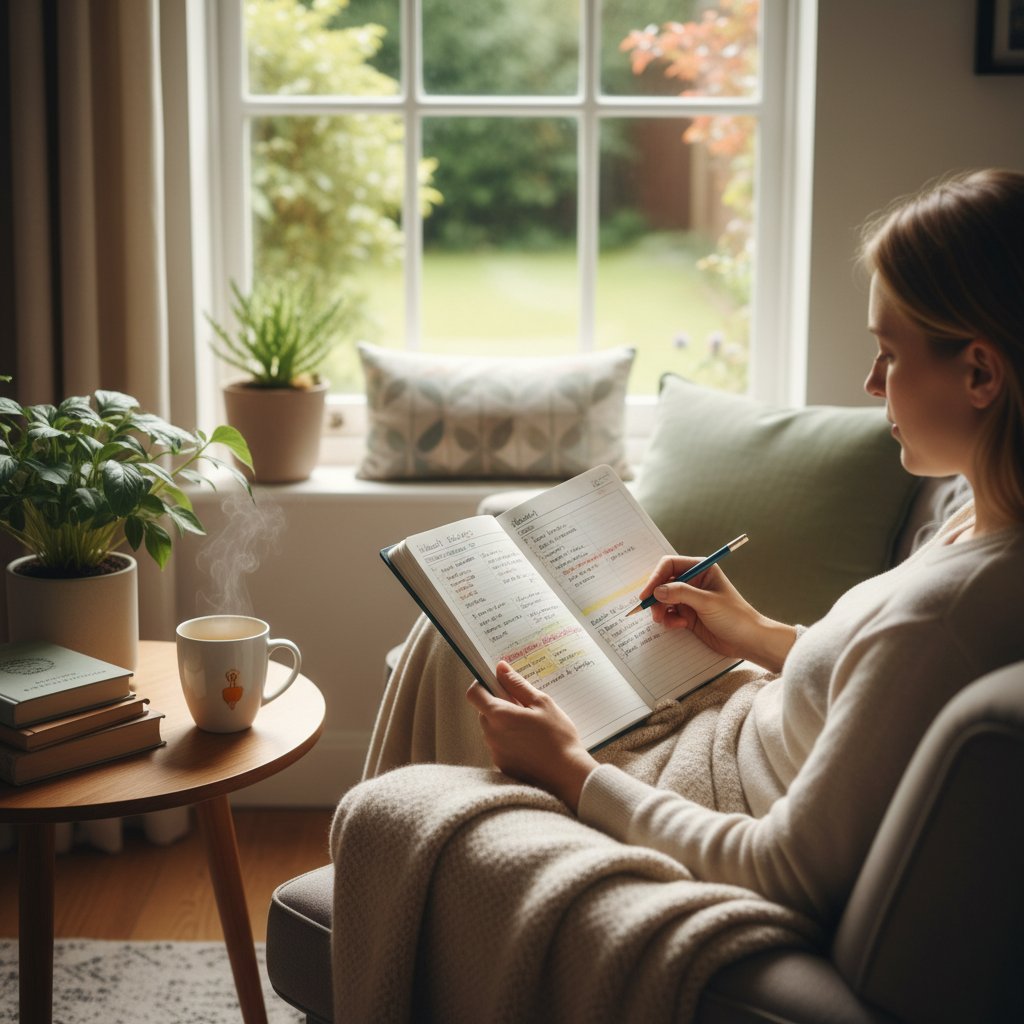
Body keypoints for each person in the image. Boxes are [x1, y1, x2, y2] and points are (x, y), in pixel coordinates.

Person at [334, 169, 1024, 1020]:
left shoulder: (951, 614)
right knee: (454, 644)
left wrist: (570, 770)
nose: (872, 383)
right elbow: (877, 684)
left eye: (890, 351)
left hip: (699, 793)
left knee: (426, 731)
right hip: (732, 734)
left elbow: (782, 869)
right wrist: (758, 632)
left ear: (982, 375)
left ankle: (372, 946)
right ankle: (374, 946)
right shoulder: (983, 520)